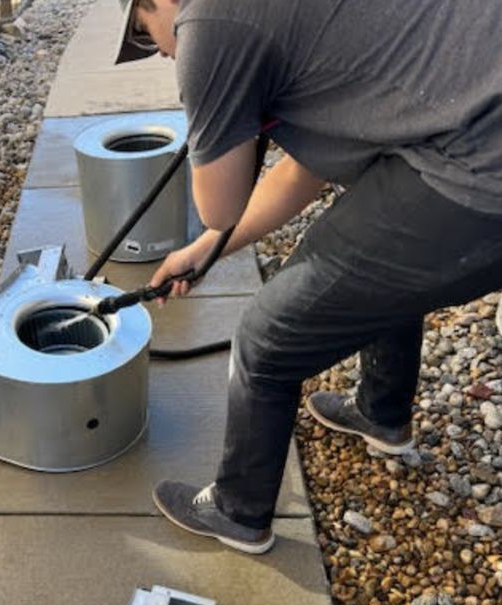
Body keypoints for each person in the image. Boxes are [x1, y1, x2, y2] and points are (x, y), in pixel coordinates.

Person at [114, 0, 502, 555]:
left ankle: (239, 510)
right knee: (385, 267)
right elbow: (303, 171)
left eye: (148, 36)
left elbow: (219, 204)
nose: (163, 52)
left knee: (266, 335)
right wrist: (204, 252)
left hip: (478, 164)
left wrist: (210, 101)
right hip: (468, 117)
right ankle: (381, 415)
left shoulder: (206, 25)